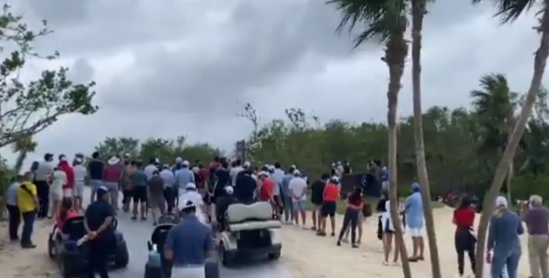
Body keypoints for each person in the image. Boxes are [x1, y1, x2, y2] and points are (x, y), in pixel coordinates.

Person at [164, 200, 215, 277]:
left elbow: (168, 255)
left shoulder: (174, 230)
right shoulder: (206, 229)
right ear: (194, 211)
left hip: (179, 270)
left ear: (182, 213)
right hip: (198, 270)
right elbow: (210, 253)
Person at [487, 196, 524, 278]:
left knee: (495, 272)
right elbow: (521, 231)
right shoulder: (514, 215)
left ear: (496, 205)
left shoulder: (495, 217)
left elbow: (492, 235)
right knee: (512, 273)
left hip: (501, 249)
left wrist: (489, 249)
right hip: (516, 247)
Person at [84, 186, 116, 278]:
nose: (108, 196)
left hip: (91, 239)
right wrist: (96, 232)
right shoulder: (107, 207)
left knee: (90, 261)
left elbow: (85, 220)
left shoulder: (91, 206)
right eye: (107, 194)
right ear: (104, 195)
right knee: (102, 263)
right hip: (103, 238)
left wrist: (89, 232)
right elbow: (107, 222)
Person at [522, 195, 549, 278]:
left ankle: (535, 275)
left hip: (534, 236)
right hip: (545, 235)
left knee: (533, 257)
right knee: (544, 256)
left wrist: (524, 208)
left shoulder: (529, 212)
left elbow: (523, 219)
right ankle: (546, 274)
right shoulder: (546, 211)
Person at [453, 195, 477, 277]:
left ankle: (461, 271)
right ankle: (475, 270)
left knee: (460, 253)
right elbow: (472, 221)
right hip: (469, 232)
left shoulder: (456, 211)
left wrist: (460, 223)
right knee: (471, 253)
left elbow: (454, 221)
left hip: (459, 231)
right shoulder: (471, 211)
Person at [17, 172, 38, 248]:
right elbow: (35, 198)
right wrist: (37, 206)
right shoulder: (32, 186)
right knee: (29, 226)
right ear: (31, 178)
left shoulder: (20, 186)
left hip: (23, 207)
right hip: (30, 208)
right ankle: (26, 242)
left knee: (26, 224)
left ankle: (24, 240)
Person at [405, 182, 424, 261]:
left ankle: (414, 255)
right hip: (420, 220)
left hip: (413, 220)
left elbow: (405, 207)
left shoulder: (411, 198)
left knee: (414, 238)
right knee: (420, 237)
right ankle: (421, 254)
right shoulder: (422, 197)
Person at [34, 153, 54, 219]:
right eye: (51, 157)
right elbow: (51, 175)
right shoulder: (50, 165)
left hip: (38, 182)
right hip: (45, 182)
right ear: (49, 158)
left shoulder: (40, 164)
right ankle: (44, 214)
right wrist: (51, 183)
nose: (52, 158)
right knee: (46, 199)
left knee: (40, 198)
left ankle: (39, 213)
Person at [381, 200, 400, 265]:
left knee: (388, 243)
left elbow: (386, 210)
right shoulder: (399, 204)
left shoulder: (388, 202)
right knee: (397, 243)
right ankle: (395, 260)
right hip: (397, 222)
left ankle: (386, 260)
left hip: (389, 222)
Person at [6, 176, 21, 241]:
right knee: (16, 221)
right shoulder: (19, 186)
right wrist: (19, 206)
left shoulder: (11, 186)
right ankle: (14, 236)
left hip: (9, 204)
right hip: (14, 205)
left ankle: (13, 235)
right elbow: (17, 197)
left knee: (13, 220)